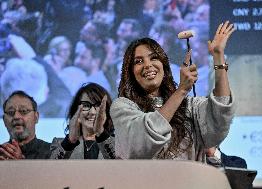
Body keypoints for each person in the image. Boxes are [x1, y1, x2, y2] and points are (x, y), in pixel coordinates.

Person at [110, 21, 236, 160]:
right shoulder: (122, 107)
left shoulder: (189, 106)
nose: (148, 65)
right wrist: (181, 90)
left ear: (163, 65)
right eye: (138, 61)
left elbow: (220, 114)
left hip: (189, 181)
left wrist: (218, 56)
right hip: (145, 182)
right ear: (130, 72)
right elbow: (142, 142)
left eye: (154, 58)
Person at [50, 83, 115, 159]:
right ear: (75, 110)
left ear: (107, 111)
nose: (92, 112)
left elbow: (121, 167)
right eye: (86, 105)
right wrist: (70, 142)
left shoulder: (120, 145)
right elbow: (52, 168)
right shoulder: (60, 144)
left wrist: (101, 133)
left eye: (98, 105)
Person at [0, 91, 51, 160]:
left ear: (36, 117)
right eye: (11, 112)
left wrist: (21, 164)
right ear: (4, 120)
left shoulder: (52, 153)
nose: (16, 117)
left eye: (23, 111)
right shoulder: (1, 152)